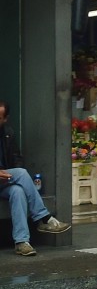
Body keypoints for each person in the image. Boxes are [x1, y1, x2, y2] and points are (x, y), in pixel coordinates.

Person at [0, 100, 70, 256]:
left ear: (5, 119)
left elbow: (16, 158)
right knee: (22, 173)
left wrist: (9, 175)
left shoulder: (7, 133)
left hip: (4, 181)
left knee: (17, 191)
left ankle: (21, 242)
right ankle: (44, 217)